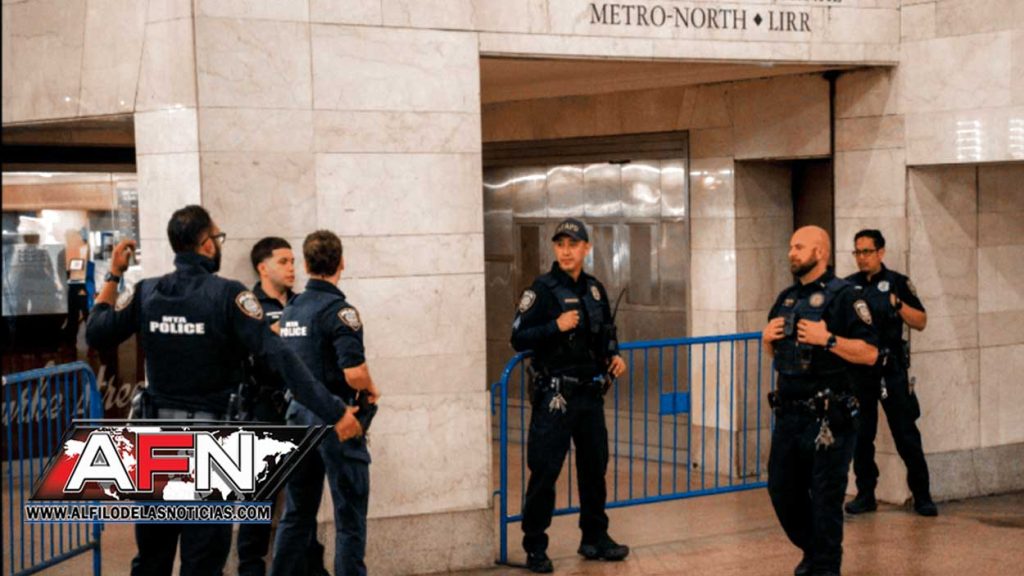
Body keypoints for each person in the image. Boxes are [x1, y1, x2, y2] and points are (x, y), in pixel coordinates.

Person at [86, 206, 361, 576]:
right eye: (217, 238)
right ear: (205, 245)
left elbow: (97, 332)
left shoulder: (147, 292)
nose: (218, 244)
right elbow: (283, 360)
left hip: (153, 443)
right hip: (208, 447)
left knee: (151, 559)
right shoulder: (228, 296)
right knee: (202, 562)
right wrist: (335, 411)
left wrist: (114, 273)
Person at [511, 218, 629, 574]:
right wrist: (555, 326)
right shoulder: (542, 290)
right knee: (545, 471)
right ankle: (535, 546)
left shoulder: (594, 289)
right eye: (560, 244)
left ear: (586, 249)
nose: (566, 251)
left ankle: (594, 537)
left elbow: (606, 332)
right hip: (556, 396)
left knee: (595, 469)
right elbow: (518, 336)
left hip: (590, 394)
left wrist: (614, 355)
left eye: (573, 244)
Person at [762, 226, 878, 576]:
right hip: (789, 417)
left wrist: (827, 339)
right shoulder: (786, 298)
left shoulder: (846, 297)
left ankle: (824, 566)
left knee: (826, 499)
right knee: (781, 490)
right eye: (790, 246)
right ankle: (815, 552)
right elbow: (780, 353)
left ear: (820, 252)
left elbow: (870, 353)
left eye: (799, 247)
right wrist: (766, 340)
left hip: (830, 419)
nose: (791, 253)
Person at [271, 230, 380, 576]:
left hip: (297, 418)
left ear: (305, 264)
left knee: (297, 513)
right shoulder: (340, 312)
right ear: (341, 262)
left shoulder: (291, 310)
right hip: (336, 418)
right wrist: (371, 388)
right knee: (349, 517)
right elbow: (354, 372)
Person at [236, 237, 328, 576]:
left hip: (300, 409)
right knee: (259, 497)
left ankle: (310, 566)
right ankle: (250, 569)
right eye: (283, 261)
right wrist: (279, 330)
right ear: (263, 267)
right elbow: (250, 349)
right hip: (263, 409)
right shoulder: (249, 306)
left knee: (303, 497)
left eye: (293, 261)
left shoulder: (302, 303)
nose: (292, 268)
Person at [844, 229, 936, 517]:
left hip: (891, 369)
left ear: (881, 252)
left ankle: (922, 496)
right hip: (860, 371)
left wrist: (897, 304)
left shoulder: (897, 282)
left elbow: (920, 321)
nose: (861, 257)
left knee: (906, 434)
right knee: (861, 436)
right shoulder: (848, 286)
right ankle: (866, 494)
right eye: (857, 252)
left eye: (867, 251)